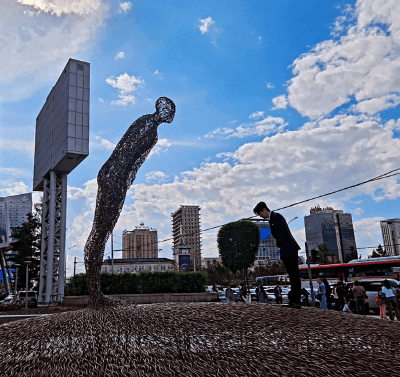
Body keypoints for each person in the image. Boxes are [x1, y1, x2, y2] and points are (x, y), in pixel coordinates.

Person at [253, 202, 301, 309]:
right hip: (286, 248)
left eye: (261, 214)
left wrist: (279, 242)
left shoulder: (276, 217)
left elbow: (282, 233)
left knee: (294, 275)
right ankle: (294, 301)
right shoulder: (273, 219)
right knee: (292, 275)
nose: (262, 217)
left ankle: (296, 302)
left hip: (289, 249)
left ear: (264, 210)